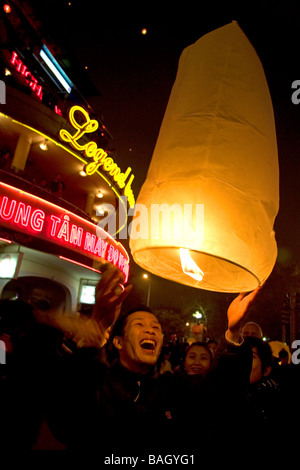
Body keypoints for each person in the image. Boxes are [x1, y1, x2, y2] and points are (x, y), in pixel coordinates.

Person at [44, 271, 260, 455]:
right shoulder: (97, 384)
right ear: (118, 341)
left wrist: (233, 332)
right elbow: (65, 421)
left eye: (156, 328)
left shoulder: (174, 388)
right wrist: (88, 348)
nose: (150, 330)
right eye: (140, 324)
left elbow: (222, 389)